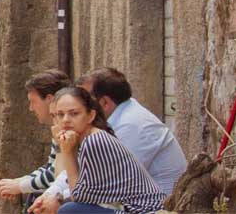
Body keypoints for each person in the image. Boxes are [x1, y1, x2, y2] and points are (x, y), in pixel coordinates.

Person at [39, 86, 165, 214]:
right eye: (60, 115)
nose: (65, 120)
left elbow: (79, 196)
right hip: (123, 208)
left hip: (143, 211)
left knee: (70, 210)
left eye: (74, 113)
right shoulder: (82, 139)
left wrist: (66, 152)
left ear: (91, 116)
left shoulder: (94, 141)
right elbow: (66, 179)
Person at [78, 68, 186, 196]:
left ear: (105, 103)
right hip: (132, 201)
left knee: (70, 208)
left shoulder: (132, 126)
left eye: (85, 101)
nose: (80, 106)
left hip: (157, 207)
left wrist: (59, 196)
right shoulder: (119, 116)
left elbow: (106, 183)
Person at [0, 69, 71, 205]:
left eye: (33, 101)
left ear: (49, 99)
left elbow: (57, 173)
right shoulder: (57, 127)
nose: (31, 108)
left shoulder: (68, 127)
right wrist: (18, 183)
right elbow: (51, 166)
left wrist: (20, 186)